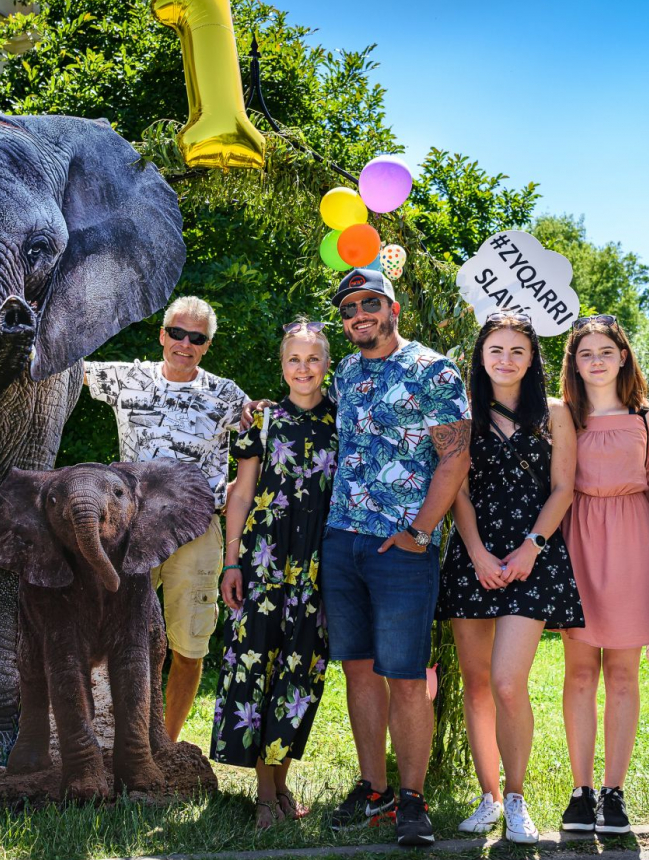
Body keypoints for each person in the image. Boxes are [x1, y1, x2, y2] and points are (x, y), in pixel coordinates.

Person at [320, 268, 471, 849]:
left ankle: (413, 800)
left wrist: (419, 532)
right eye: (349, 307)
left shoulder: (432, 370)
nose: (359, 313)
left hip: (402, 548)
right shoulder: (346, 372)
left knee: (405, 675)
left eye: (369, 303)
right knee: (358, 669)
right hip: (342, 542)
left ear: (393, 308)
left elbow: (455, 458)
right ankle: (374, 789)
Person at [435, 311, 582, 844]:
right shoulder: (462, 415)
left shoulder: (557, 414)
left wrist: (530, 549)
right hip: (476, 556)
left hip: (532, 556)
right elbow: (459, 491)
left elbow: (563, 489)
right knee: (477, 686)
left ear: (532, 358)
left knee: (506, 683)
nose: (505, 359)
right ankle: (489, 797)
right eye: (495, 349)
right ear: (481, 356)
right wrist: (474, 552)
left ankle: (517, 799)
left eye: (517, 351)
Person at [85, 295, 249, 742]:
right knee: (113, 636)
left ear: (206, 346)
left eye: (196, 338)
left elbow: (269, 443)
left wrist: (237, 493)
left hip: (197, 531)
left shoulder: (227, 395)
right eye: (177, 333)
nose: (185, 343)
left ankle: (166, 748)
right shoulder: (127, 377)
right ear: (162, 335)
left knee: (189, 647)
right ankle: (111, 740)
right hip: (132, 531)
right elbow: (59, 370)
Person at [211, 319, 337, 829]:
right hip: (264, 566)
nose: (303, 369)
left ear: (327, 365)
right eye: (294, 359)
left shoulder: (345, 421)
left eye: (313, 359)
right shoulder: (259, 423)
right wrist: (231, 560)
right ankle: (264, 796)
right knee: (255, 670)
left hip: (319, 569)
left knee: (300, 675)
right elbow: (240, 494)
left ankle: (280, 784)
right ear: (281, 364)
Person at [556, 314, 649, 835]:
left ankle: (614, 792)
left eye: (605, 351)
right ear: (573, 363)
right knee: (579, 672)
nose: (595, 360)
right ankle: (581, 792)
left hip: (632, 540)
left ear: (623, 356)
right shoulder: (563, 416)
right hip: (577, 538)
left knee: (622, 673)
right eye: (585, 353)